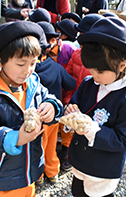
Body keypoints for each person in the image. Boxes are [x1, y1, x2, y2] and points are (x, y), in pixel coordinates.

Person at [0, 21, 64, 196]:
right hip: (3, 175)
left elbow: (50, 97)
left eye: (33, 63)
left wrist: (52, 107)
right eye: (21, 64)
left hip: (30, 170)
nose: (28, 70)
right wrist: (17, 138)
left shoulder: (33, 84)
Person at [65, 17, 126, 196]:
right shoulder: (88, 83)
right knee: (77, 191)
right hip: (80, 161)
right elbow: (74, 105)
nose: (94, 75)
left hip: (102, 170)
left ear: (122, 65)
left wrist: (92, 129)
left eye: (99, 71)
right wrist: (70, 114)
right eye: (91, 69)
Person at [33, 21, 76, 186]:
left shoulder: (29, 73)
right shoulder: (56, 67)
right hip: (55, 117)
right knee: (51, 147)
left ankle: (38, 176)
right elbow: (71, 84)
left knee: (38, 148)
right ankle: (52, 173)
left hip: (38, 118)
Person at [59, 14, 101, 172]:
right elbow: (68, 75)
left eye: (82, 35)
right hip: (76, 99)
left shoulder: (94, 58)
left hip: (85, 101)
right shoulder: (76, 54)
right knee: (70, 128)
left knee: (80, 128)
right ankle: (68, 151)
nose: (79, 38)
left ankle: (74, 152)